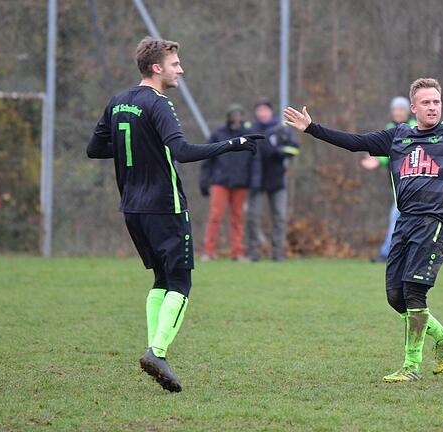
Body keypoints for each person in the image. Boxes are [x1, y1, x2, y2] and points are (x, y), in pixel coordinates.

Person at [284, 78, 443, 383]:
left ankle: (411, 366)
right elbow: (355, 142)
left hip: (435, 222)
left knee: (414, 291)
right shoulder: (398, 135)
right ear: (413, 108)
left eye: (436, 102)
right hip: (405, 222)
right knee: (395, 296)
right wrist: (312, 128)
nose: (432, 107)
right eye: (426, 102)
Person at [86, 36, 262, 392]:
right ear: (157, 67)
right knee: (181, 283)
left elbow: (94, 149)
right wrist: (234, 144)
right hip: (165, 206)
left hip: (132, 207)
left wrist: (133, 149)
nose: (180, 69)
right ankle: (158, 351)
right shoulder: (159, 103)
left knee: (161, 280)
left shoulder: (118, 102)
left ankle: (154, 351)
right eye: (175, 64)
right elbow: (181, 151)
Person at [361, 96, 417, 262]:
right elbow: (387, 153)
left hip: (413, 183)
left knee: (397, 217)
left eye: (400, 109)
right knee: (400, 218)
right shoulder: (390, 128)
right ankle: (400, 253)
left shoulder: (415, 127)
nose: (397, 112)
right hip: (397, 185)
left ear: (408, 111)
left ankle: (387, 253)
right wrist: (377, 158)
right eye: (394, 109)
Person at [246, 99, 300, 262]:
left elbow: (294, 148)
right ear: (256, 113)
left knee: (280, 217)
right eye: (259, 111)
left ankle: (278, 253)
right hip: (256, 181)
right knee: (253, 217)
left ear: (271, 112)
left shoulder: (281, 129)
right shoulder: (250, 129)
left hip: (277, 180)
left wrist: (278, 151)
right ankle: (253, 253)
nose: (262, 114)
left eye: (265, 110)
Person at [199, 104, 254, 262]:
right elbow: (208, 158)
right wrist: (204, 181)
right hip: (220, 182)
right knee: (215, 216)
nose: (237, 118)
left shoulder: (247, 135)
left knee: (238, 218)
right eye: (234, 115)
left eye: (239, 115)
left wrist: (253, 180)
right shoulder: (218, 133)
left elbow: (254, 159)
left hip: (241, 183)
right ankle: (208, 252)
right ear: (229, 117)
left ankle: (237, 252)